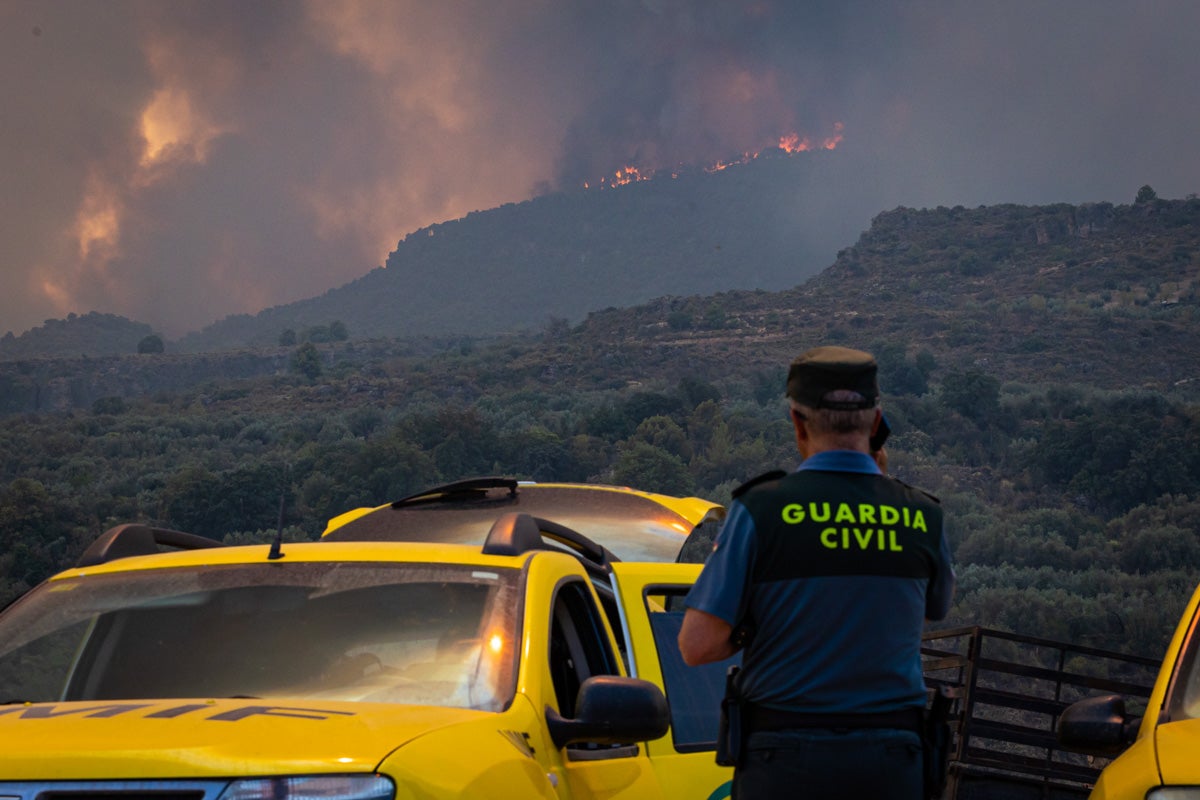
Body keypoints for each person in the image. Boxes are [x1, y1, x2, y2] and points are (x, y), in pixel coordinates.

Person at [677, 345, 955, 800]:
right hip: (891, 760)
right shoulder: (922, 515)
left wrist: (753, 628)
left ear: (797, 423)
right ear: (875, 420)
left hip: (785, 761)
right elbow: (933, 609)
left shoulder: (760, 510)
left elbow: (696, 645)